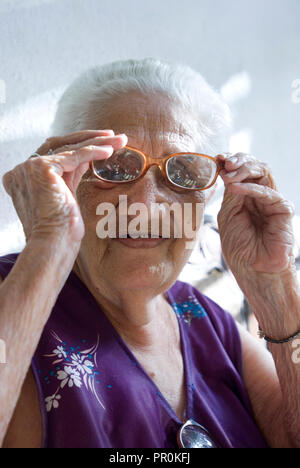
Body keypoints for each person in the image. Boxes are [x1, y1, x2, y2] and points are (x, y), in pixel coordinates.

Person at [0, 58, 299, 449]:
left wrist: (273, 287)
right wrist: (48, 242)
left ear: (208, 193)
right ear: (63, 177)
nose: (146, 205)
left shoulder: (208, 323)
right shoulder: (14, 295)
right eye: (114, 167)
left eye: (182, 172)